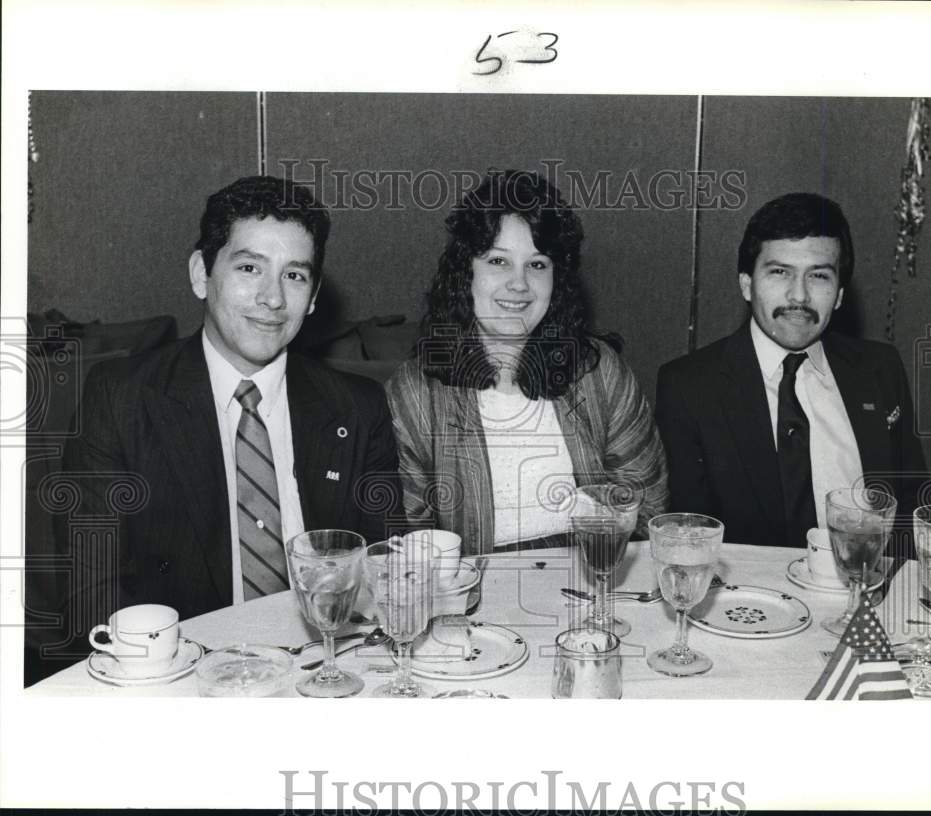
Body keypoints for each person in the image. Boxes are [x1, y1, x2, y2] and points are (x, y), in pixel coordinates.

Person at [37, 175, 400, 672]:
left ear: (313, 296)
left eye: (294, 275)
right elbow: (90, 589)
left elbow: (389, 571)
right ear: (200, 273)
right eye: (250, 267)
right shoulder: (121, 398)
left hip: (330, 670)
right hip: (183, 678)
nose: (272, 298)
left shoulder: (358, 408)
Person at [385, 169, 667, 554]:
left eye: (537, 264)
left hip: (591, 583)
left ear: (557, 279)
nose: (519, 284)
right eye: (498, 261)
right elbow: (413, 539)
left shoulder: (599, 372)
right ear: (465, 273)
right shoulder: (415, 391)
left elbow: (646, 509)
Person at [655, 192, 927, 554]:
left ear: (840, 294)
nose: (798, 296)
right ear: (747, 284)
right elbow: (691, 536)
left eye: (818, 276)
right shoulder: (689, 386)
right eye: (780, 272)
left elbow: (911, 513)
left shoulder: (880, 369)